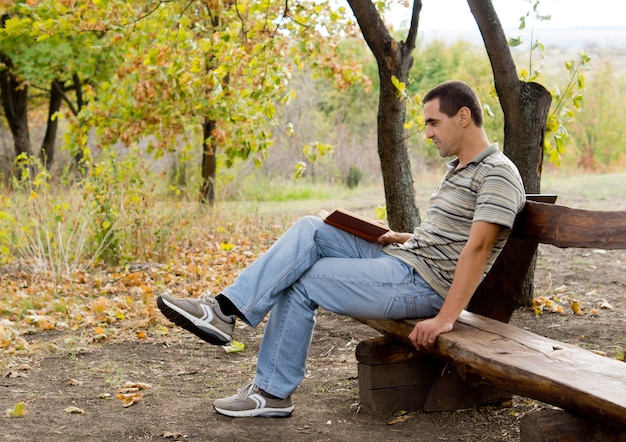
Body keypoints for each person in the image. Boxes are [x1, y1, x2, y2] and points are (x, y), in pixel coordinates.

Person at [157, 80, 526, 418]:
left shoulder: (497, 173)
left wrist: (445, 318)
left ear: (463, 117)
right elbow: (451, 236)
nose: (427, 133)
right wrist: (401, 236)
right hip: (405, 260)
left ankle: (270, 391)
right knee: (311, 229)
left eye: (433, 123)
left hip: (422, 285)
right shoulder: (459, 169)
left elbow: (478, 248)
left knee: (303, 279)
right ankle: (222, 309)